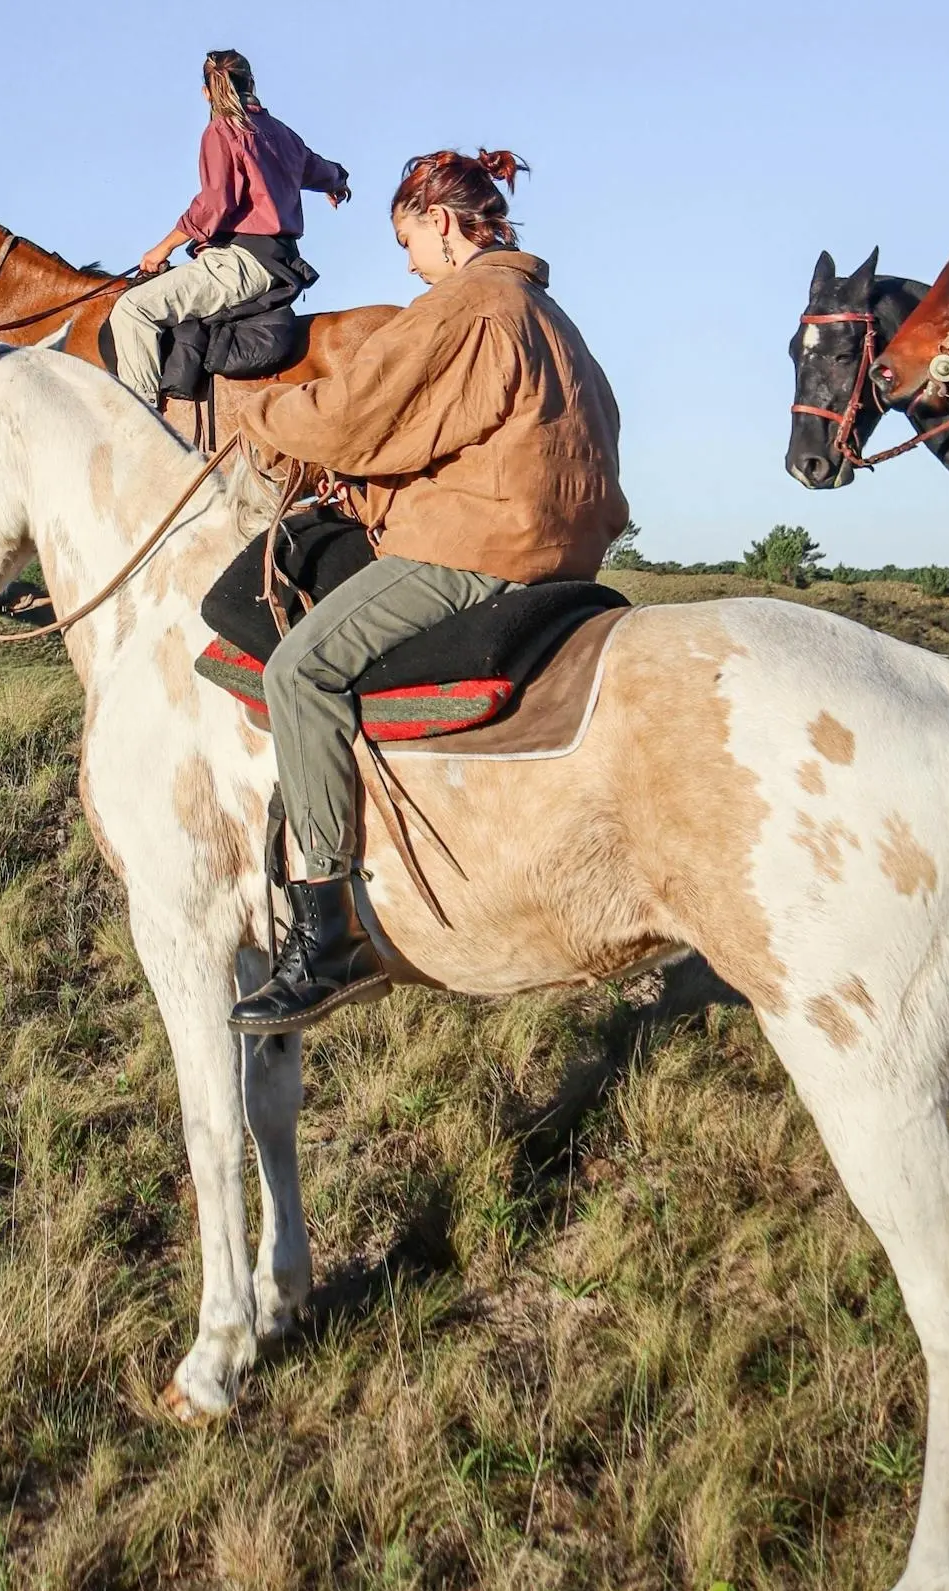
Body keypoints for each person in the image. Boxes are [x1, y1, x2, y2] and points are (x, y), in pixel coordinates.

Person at [225, 150, 628, 1035]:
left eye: (408, 241)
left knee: (299, 671)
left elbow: (356, 416)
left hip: (480, 549)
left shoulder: (463, 305)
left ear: (440, 224)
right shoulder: (549, 316)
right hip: (566, 553)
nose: (407, 262)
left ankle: (325, 929)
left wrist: (250, 412)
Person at [108, 50, 350, 409]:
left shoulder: (221, 130)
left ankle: (140, 422)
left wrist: (164, 248)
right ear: (251, 82)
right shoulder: (281, 133)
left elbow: (216, 203)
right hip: (279, 262)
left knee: (131, 310)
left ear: (207, 92)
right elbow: (318, 168)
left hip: (239, 262)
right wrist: (337, 181)